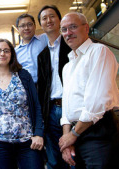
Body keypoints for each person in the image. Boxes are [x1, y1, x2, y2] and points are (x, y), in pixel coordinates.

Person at [59, 12, 119, 168]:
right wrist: (67, 139)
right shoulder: (67, 67)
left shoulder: (99, 51)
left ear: (86, 28)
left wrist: (73, 134)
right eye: (64, 29)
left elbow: (96, 103)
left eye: (73, 27)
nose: (68, 33)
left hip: (98, 132)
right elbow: (66, 107)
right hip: (77, 134)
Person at [0, 39, 44, 169]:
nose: (2, 53)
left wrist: (38, 133)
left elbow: (36, 106)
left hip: (28, 141)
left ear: (12, 55)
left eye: (6, 50)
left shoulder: (24, 76)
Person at [37, 5, 71, 169]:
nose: (48, 20)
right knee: (54, 160)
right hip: (51, 110)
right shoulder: (42, 55)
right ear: (41, 25)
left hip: (71, 107)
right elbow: (43, 88)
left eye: (52, 16)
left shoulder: (72, 44)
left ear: (60, 19)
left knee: (73, 157)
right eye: (44, 18)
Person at [15, 13, 47, 83]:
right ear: (17, 29)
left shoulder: (45, 38)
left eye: (29, 24)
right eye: (22, 26)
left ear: (35, 26)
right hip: (26, 88)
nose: (26, 28)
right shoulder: (15, 52)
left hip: (45, 84)